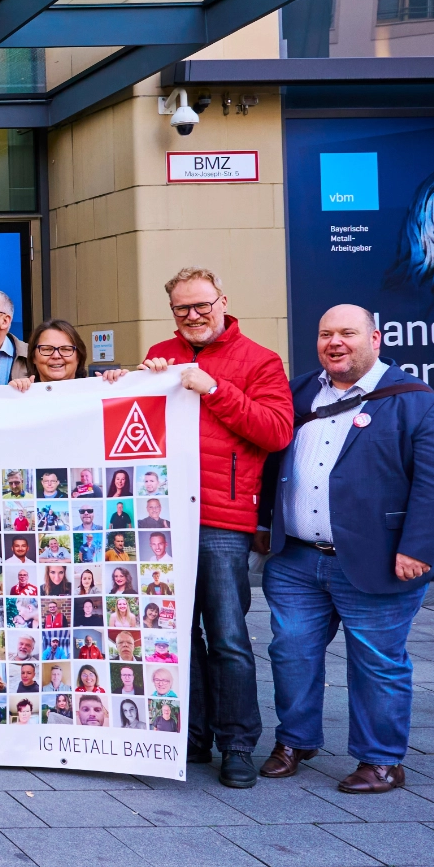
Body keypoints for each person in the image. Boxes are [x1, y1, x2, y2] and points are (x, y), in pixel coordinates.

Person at [258, 304, 434, 794]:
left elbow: (433, 484)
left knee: (376, 661)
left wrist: (418, 547)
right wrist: (262, 524)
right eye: (325, 334)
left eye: (347, 333)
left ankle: (381, 760)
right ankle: (295, 741)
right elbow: (268, 461)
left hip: (379, 561)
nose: (334, 342)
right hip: (296, 559)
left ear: (375, 339)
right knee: (291, 652)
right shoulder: (297, 392)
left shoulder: (416, 401)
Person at [140, 267, 293, 789]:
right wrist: (132, 378)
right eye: (182, 308)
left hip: (222, 520)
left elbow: (275, 432)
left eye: (202, 304)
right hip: (162, 518)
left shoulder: (260, 360)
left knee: (227, 636)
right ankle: (192, 736)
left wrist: (217, 389)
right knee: (174, 635)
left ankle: (237, 744)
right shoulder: (161, 352)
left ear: (223, 300)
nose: (193, 315)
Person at [9, 319, 125, 389]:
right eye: (47, 349)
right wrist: (15, 394)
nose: (56, 356)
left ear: (78, 356)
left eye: (65, 349)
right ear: (33, 357)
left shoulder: (98, 392)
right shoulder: (21, 397)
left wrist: (122, 385)